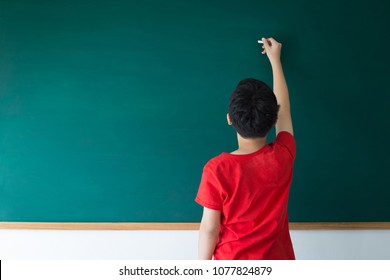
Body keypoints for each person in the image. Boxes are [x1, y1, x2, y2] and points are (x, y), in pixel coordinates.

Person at [195, 37, 296, 260]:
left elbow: (209, 229)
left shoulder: (216, 170)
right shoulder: (282, 156)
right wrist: (275, 61)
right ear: (273, 120)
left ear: (230, 119)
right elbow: (285, 112)